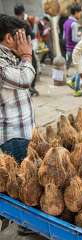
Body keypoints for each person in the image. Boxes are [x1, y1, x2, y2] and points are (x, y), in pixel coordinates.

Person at [0, 14, 35, 234]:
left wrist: (25, 56)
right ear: (8, 37)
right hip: (11, 136)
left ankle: (22, 221)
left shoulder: (12, 56)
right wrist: (27, 56)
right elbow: (25, 79)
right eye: (21, 36)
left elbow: (30, 73)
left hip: (22, 131)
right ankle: (18, 220)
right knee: (15, 181)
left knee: (24, 179)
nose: (26, 42)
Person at [14, 3, 39, 96]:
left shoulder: (11, 22)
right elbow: (32, 35)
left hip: (14, 50)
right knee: (33, 67)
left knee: (19, 68)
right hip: (26, 49)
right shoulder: (25, 23)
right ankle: (31, 88)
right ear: (23, 12)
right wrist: (35, 25)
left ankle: (22, 88)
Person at [63, 4, 82, 97]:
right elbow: (75, 39)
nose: (80, 15)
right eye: (80, 13)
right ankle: (76, 89)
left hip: (68, 48)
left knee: (78, 68)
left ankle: (71, 81)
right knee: (79, 69)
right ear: (76, 13)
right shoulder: (74, 24)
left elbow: (64, 37)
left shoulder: (66, 22)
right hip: (74, 49)